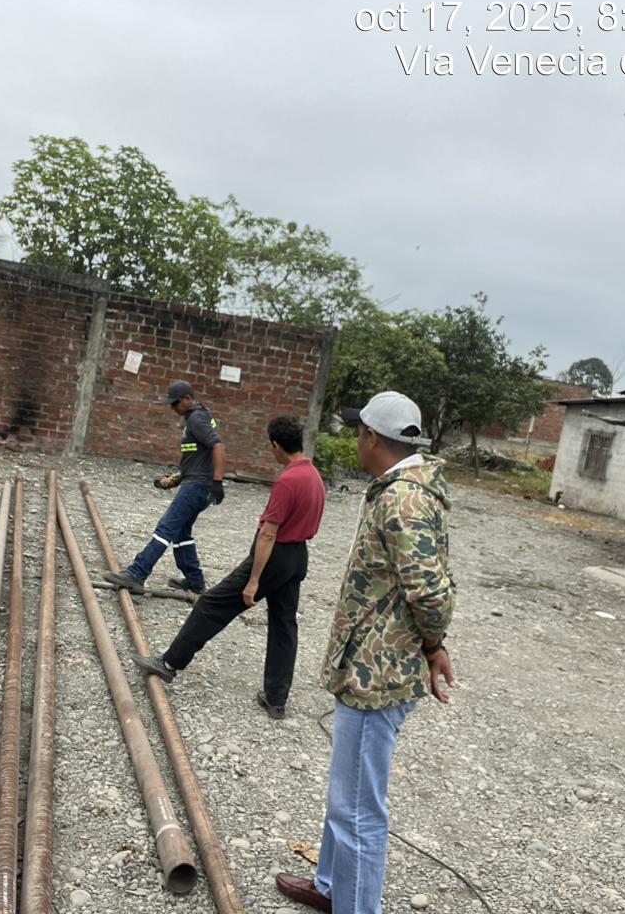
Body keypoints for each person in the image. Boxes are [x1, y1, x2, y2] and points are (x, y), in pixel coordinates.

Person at [276, 391, 457, 914]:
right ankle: (331, 887)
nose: (357, 441)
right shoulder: (402, 490)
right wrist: (432, 645)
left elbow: (430, 593)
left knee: (357, 808)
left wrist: (434, 644)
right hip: (370, 663)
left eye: (359, 433)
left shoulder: (403, 500)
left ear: (372, 437)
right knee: (347, 794)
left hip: (378, 675)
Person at [132, 415, 326, 719]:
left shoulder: (287, 481)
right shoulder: (314, 476)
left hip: (273, 556)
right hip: (298, 556)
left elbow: (269, 533)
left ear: (276, 445)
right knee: (284, 625)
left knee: (211, 605)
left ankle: (169, 663)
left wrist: (254, 579)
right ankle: (276, 699)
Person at [104, 379, 225, 595]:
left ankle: (137, 573)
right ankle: (195, 581)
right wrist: (176, 479)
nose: (173, 408)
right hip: (197, 484)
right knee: (181, 533)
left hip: (197, 487)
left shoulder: (196, 418)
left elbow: (217, 445)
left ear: (188, 398)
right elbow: (199, 457)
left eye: (176, 403)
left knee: (166, 528)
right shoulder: (198, 416)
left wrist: (217, 481)